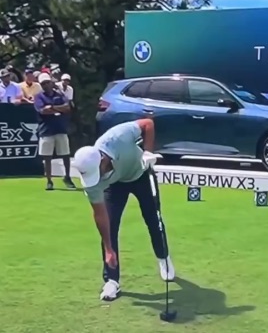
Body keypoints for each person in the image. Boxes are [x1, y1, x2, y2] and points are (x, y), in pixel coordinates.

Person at [73, 119, 175, 302]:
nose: (96, 177)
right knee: (110, 228)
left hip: (141, 174)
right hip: (115, 186)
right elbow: (99, 214)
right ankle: (112, 280)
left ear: (102, 160)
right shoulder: (92, 182)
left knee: (153, 219)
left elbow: (148, 124)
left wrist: (148, 152)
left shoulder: (117, 137)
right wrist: (108, 248)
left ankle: (163, 258)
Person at [34, 72, 76, 191]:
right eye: (43, 84)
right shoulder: (39, 96)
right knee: (47, 157)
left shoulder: (59, 95)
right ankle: (49, 180)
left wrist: (51, 107)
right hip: (46, 130)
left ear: (51, 83)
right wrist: (58, 108)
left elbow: (67, 108)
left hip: (60, 128)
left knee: (65, 155)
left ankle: (67, 177)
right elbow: (42, 111)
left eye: (47, 82)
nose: (46, 85)